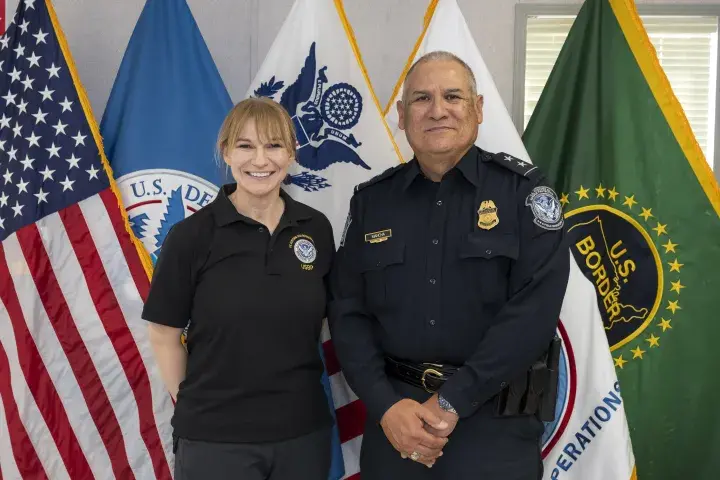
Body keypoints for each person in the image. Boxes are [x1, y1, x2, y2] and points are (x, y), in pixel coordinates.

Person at [328, 51, 570, 479]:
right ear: (402, 116)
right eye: (421, 99)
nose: (437, 110)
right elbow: (348, 313)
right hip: (397, 425)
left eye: (452, 96)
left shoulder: (523, 195)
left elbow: (532, 316)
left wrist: (450, 401)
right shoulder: (372, 203)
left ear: (477, 109)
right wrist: (385, 406)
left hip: (493, 426)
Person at [143, 97, 335, 480]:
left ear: (292, 153)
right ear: (226, 152)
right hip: (216, 441)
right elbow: (163, 333)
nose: (260, 160)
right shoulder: (192, 236)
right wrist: (196, 404)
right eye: (246, 146)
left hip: (302, 436)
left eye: (274, 145)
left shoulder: (316, 228)